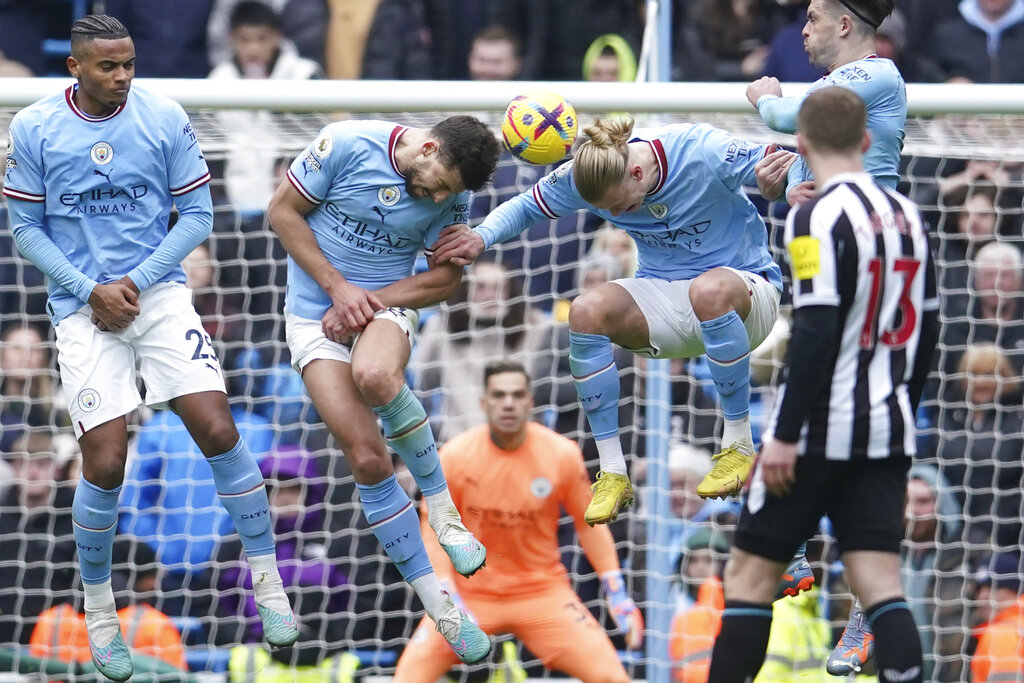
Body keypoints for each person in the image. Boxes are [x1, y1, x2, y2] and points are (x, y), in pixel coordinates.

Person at [1, 15, 297, 681]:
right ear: (75, 67)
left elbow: (197, 214)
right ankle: (101, 614)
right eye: (108, 66)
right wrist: (90, 288)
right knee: (105, 462)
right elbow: (25, 228)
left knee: (217, 425)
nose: (123, 76)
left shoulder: (163, 116)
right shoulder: (36, 127)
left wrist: (133, 281)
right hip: (80, 307)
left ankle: (267, 580)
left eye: (129, 63)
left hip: (157, 294)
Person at [431, 114, 794, 522]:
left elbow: (789, 161)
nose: (620, 213)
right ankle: (613, 473)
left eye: (622, 205)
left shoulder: (699, 149)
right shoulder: (587, 174)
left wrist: (782, 186)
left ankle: (739, 447)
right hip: (667, 304)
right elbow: (526, 206)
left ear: (637, 171)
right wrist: (481, 236)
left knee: (707, 290)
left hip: (748, 297)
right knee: (585, 310)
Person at [705, 86, 939, 683]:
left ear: (802, 144)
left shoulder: (814, 215)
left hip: (817, 429)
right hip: (887, 425)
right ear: (866, 142)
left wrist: (783, 437)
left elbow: (815, 329)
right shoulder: (908, 215)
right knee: (881, 584)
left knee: (750, 580)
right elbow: (929, 330)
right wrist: (902, 420)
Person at [265, 113, 500, 663]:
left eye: (450, 193)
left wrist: (367, 300)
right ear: (429, 146)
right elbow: (282, 212)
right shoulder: (346, 144)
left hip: (382, 308)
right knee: (369, 461)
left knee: (376, 375)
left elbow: (445, 279)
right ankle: (439, 606)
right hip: (312, 315)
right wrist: (339, 289)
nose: (439, 195)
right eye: (440, 182)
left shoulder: (450, 195)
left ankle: (444, 516)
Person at [392, 359, 643, 682]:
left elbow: (588, 523)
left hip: (541, 593)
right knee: (407, 677)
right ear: (484, 403)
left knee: (612, 677)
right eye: (498, 395)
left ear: (530, 402)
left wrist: (616, 591)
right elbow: (431, 528)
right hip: (469, 596)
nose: (508, 403)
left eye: (516, 395)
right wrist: (446, 595)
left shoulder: (561, 454)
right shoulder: (455, 457)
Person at [746, 0, 905, 206]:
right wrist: (792, 186)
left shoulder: (878, 74)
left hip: (870, 220)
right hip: (830, 217)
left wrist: (766, 99)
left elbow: (788, 117)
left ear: (844, 26)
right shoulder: (832, 82)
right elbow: (811, 153)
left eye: (813, 19)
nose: (805, 30)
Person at [970, 552, 1024, 683]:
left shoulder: (1003, 634)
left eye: (992, 588)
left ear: (1015, 590)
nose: (982, 596)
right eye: (979, 589)